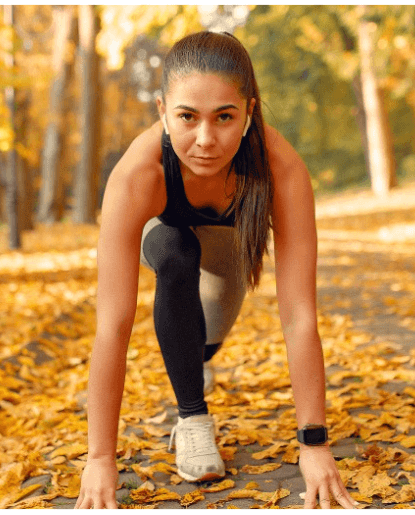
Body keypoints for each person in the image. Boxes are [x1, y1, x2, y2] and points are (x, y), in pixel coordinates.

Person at [75, 31, 357, 510]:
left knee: (207, 336)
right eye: (187, 116)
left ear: (249, 113)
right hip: (165, 233)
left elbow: (298, 317)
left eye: (224, 117)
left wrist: (314, 444)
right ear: (163, 111)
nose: (205, 140)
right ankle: (193, 419)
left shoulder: (281, 169)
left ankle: (198, 358)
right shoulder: (137, 174)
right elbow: (113, 326)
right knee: (176, 252)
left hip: (228, 245)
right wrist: (100, 457)